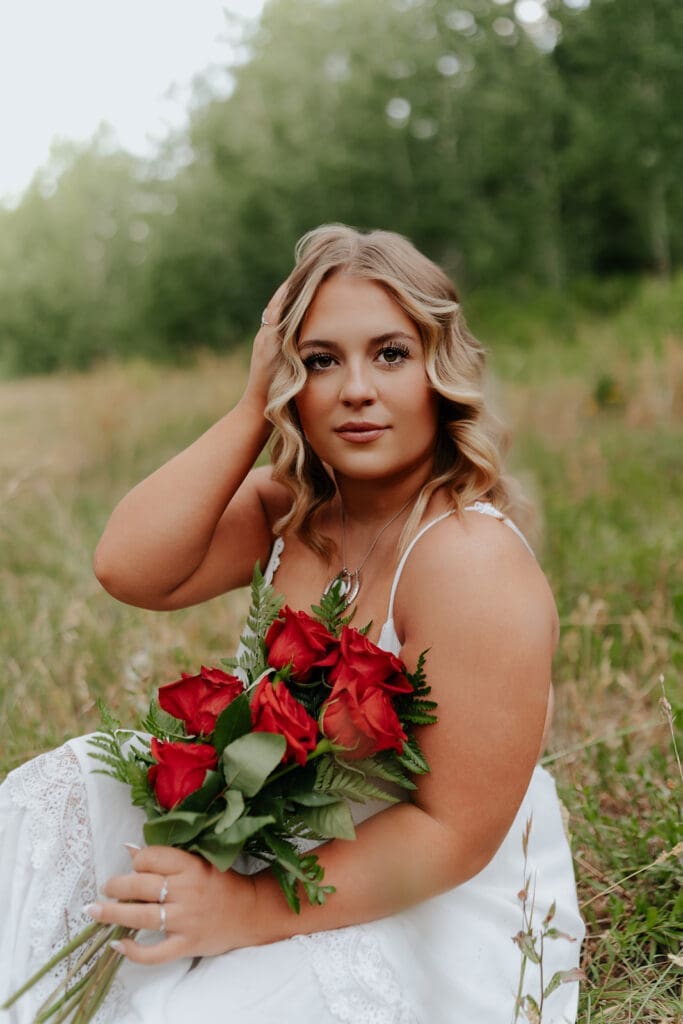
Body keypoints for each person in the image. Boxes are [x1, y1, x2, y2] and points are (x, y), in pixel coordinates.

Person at [0, 225, 583, 1023]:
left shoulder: (468, 559)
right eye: (318, 360)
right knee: (69, 790)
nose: (354, 389)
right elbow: (128, 567)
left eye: (389, 354)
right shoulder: (292, 509)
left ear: (438, 371)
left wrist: (243, 912)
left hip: (425, 890)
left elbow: (454, 834)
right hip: (286, 827)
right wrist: (250, 408)